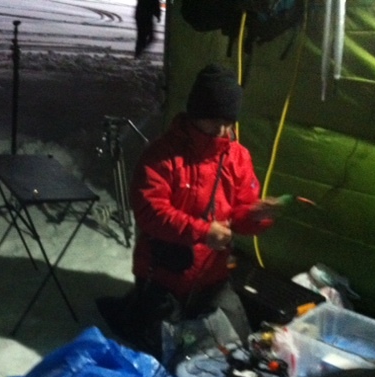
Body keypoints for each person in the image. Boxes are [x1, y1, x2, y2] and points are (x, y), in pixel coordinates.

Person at [101, 63, 281, 361]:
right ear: (196, 113)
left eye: (228, 121)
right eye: (213, 120)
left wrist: (257, 215)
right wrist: (203, 232)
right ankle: (141, 310)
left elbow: (240, 214)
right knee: (170, 354)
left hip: (212, 277)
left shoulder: (238, 157)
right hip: (164, 274)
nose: (221, 130)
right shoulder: (162, 154)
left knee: (236, 345)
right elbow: (150, 211)